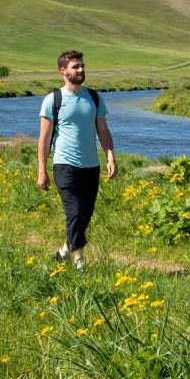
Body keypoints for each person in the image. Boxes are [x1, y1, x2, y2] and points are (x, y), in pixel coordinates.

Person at [36, 50, 116, 269]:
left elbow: (103, 130)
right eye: (75, 67)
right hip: (64, 165)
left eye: (82, 66)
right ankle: (80, 265)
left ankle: (63, 253)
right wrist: (41, 171)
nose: (81, 70)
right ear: (63, 71)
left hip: (91, 166)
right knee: (74, 213)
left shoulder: (94, 97)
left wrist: (110, 156)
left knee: (84, 217)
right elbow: (44, 139)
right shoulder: (53, 100)